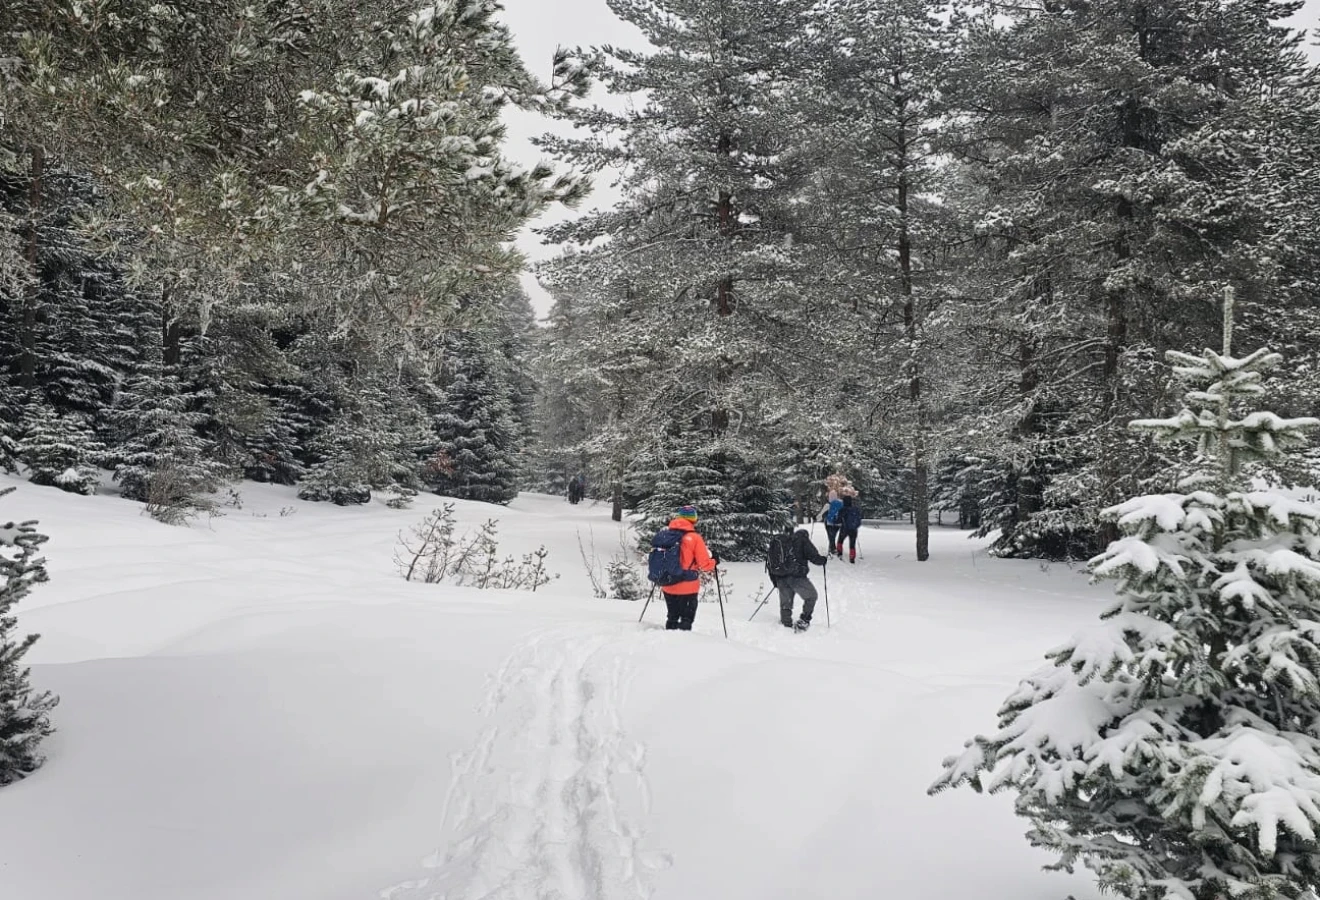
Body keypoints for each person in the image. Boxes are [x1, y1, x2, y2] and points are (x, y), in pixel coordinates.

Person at [660, 505, 718, 631]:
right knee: (686, 620)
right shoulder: (694, 538)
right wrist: (714, 561)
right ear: (694, 519)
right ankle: (684, 644)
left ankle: (666, 642)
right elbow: (705, 565)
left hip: (668, 583)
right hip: (688, 585)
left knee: (672, 617)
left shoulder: (665, 535)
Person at [767, 523, 827, 631]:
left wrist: (775, 580)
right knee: (812, 596)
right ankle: (804, 620)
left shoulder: (777, 542)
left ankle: (786, 625)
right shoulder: (802, 539)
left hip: (781, 577)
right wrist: (823, 560)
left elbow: (770, 563)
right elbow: (814, 557)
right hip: (797, 577)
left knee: (786, 603)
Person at [836, 494, 862, 563]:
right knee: (852, 544)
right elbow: (859, 519)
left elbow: (838, 520)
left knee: (840, 541)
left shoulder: (843, 509)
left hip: (845, 528)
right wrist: (855, 526)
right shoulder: (855, 509)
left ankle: (839, 553)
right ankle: (852, 558)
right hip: (854, 529)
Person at [820, 490, 843, 557]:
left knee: (831, 536)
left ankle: (832, 549)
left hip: (829, 523)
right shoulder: (841, 503)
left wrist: (815, 518)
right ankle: (833, 548)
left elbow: (821, 514)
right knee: (833, 535)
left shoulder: (827, 505)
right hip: (838, 523)